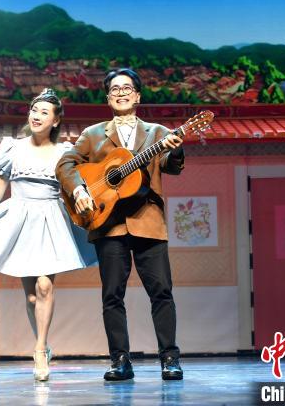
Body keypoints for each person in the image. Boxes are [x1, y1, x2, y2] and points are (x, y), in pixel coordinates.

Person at [0, 89, 96, 382]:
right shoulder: (12, 148)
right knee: (31, 297)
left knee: (44, 286)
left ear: (56, 121)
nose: (37, 116)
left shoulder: (63, 152)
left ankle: (39, 350)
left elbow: (74, 188)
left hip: (50, 221)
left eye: (44, 112)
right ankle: (44, 344)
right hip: (20, 221)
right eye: (34, 110)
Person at [55, 68, 185, 381]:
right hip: (108, 223)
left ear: (137, 96)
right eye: (115, 89)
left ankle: (170, 359)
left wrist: (176, 148)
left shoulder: (157, 132)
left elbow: (171, 166)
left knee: (162, 292)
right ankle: (120, 361)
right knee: (112, 295)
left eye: (127, 88)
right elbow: (65, 164)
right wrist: (79, 190)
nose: (121, 93)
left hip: (147, 221)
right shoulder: (93, 134)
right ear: (108, 98)